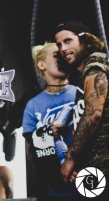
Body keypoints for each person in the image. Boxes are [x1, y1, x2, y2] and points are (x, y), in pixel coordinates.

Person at [53, 21, 109, 187]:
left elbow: (93, 114)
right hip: (94, 167)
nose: (62, 48)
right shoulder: (85, 73)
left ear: (84, 41)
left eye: (68, 41)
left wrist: (70, 158)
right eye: (59, 44)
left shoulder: (94, 65)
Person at [22, 42, 77, 199]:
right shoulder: (33, 105)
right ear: (42, 64)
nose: (61, 58)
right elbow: (32, 151)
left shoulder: (82, 92)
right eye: (55, 55)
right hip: (54, 187)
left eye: (62, 55)